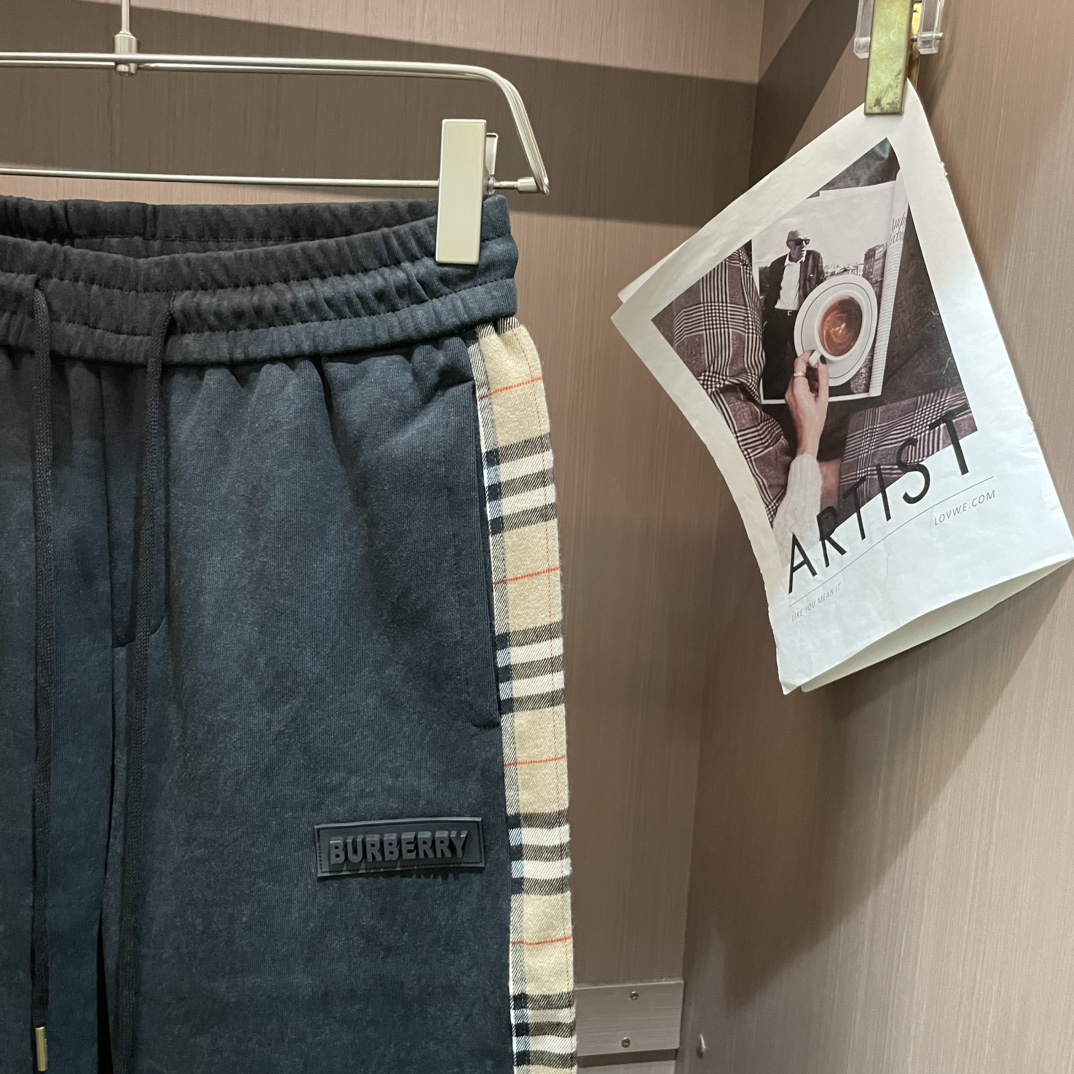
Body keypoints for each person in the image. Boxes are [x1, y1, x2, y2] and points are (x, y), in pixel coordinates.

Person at [762, 229, 824, 400]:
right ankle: (776, 399)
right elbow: (771, 294)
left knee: (805, 360)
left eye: (806, 241)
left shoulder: (814, 259)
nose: (803, 245)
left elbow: (821, 288)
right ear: (788, 244)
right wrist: (766, 318)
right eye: (798, 242)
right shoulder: (776, 265)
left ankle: (808, 397)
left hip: (801, 318)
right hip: (778, 318)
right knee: (775, 362)